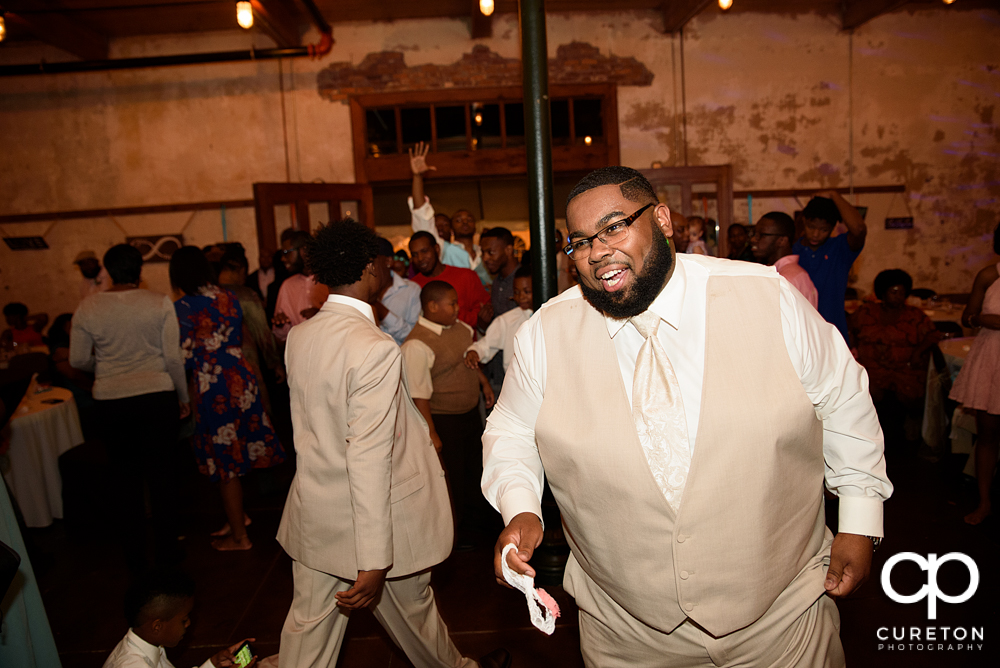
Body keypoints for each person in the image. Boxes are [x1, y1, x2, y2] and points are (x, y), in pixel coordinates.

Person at [484, 166, 891, 667]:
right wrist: (520, 505)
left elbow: (843, 396)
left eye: (614, 227)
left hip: (782, 617)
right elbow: (511, 429)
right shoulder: (545, 334)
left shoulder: (767, 295)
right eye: (580, 241)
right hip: (626, 630)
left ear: (662, 220)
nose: (597, 252)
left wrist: (858, 516)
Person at [276, 220, 509, 668]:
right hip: (374, 520)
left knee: (308, 633)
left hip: (315, 512)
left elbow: (313, 429)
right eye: (382, 262)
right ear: (369, 268)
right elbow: (367, 456)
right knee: (413, 613)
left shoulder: (302, 336)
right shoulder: (373, 347)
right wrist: (374, 558)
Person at [70, 244, 190, 572]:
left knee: (125, 482)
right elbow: (172, 358)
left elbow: (77, 359)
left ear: (107, 270)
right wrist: (183, 397)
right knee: (163, 478)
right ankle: (167, 553)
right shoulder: (159, 302)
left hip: (111, 400)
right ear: (139, 271)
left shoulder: (88, 307)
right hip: (156, 396)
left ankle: (135, 558)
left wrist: (109, 367)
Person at [171, 247, 284, 551]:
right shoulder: (228, 298)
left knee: (225, 462)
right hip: (239, 376)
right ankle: (237, 518)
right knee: (236, 452)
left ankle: (240, 537)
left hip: (212, 384)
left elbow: (180, 354)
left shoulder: (183, 306)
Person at [403, 281, 495, 550]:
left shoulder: (460, 329)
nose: (457, 308)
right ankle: (457, 532)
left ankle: (480, 523)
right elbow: (419, 394)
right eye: (452, 303)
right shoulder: (417, 344)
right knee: (453, 476)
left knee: (475, 468)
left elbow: (468, 360)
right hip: (443, 419)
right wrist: (432, 432)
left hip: (468, 413)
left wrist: (483, 383)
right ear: (432, 306)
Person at [849, 270, 941, 447]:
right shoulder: (866, 312)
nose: (898, 296)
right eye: (894, 292)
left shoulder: (914, 315)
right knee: (868, 389)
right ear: (882, 293)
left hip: (904, 368)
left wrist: (917, 352)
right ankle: (868, 435)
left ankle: (910, 428)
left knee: (909, 393)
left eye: (902, 292)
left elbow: (932, 336)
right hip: (872, 367)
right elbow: (849, 330)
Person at [949, 221, 1000, 525]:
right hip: (992, 356)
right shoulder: (989, 275)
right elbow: (966, 317)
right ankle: (984, 501)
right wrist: (982, 317)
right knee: (989, 434)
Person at [103, 569, 256, 668]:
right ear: (157, 626)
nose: (189, 623)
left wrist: (212, 665)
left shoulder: (148, 643)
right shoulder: (133, 665)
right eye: (184, 620)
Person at [409, 142, 491, 287]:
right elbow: (422, 215)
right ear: (451, 228)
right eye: (459, 220)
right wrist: (417, 177)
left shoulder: (485, 253)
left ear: (476, 226)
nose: (465, 222)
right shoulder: (443, 249)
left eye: (469, 219)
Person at [217, 247, 285, 415]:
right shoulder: (246, 295)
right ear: (241, 270)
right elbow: (262, 333)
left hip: (216, 370)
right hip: (246, 364)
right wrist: (275, 363)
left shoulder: (208, 295)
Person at [792, 191, 867, 342]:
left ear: (832, 227)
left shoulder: (839, 249)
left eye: (823, 230)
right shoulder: (791, 250)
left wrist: (834, 195)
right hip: (799, 333)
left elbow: (858, 229)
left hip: (832, 333)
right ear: (804, 221)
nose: (815, 234)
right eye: (811, 227)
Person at [408, 231, 490, 330]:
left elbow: (484, 312)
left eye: (424, 251)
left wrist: (455, 320)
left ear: (437, 249)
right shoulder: (412, 286)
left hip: (467, 342)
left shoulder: (466, 276)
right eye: (414, 254)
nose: (420, 258)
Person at [465, 266, 533, 373]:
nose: (521, 297)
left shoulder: (550, 314)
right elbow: (487, 344)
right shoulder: (507, 320)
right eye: (516, 292)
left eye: (527, 292)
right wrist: (475, 351)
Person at [751, 212, 819, 309]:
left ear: (782, 240)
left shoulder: (786, 279)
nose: (753, 239)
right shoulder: (793, 273)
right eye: (754, 234)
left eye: (761, 235)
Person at [372, 237, 422, 345]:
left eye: (372, 260)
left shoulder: (411, 290)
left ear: (388, 261)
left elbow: (416, 335)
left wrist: (385, 314)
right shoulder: (360, 291)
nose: (367, 265)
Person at [272, 231, 315, 342]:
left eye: (286, 253)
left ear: (303, 251)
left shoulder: (328, 281)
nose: (283, 258)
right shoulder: (287, 285)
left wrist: (322, 315)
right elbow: (281, 337)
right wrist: (281, 325)